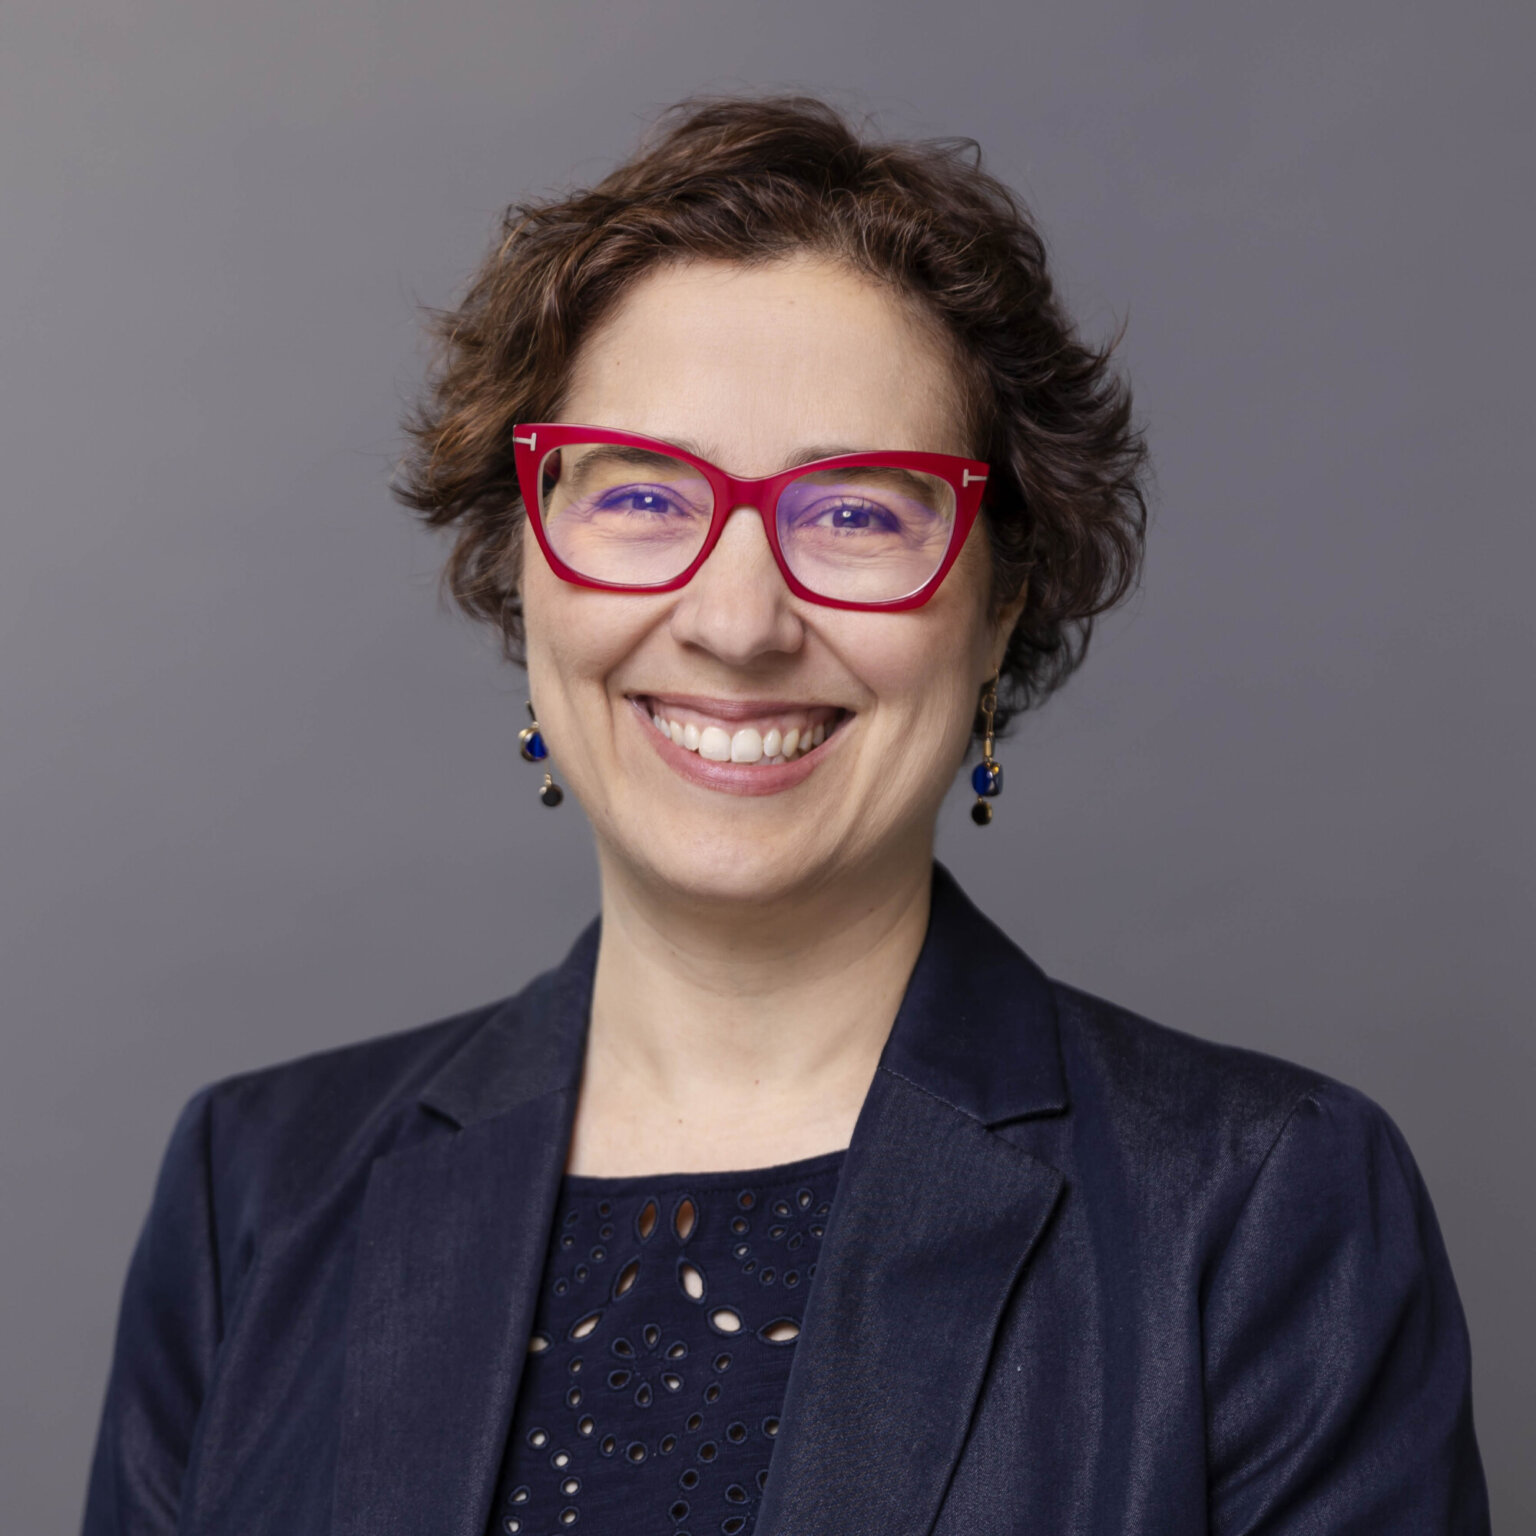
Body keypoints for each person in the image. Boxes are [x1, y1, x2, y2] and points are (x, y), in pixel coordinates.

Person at [83, 95, 1490, 1536]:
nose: (738, 620)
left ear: (1000, 604)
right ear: (524, 574)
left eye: (858, 513)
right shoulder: (254, 1194)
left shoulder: (1258, 1218)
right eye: (642, 496)